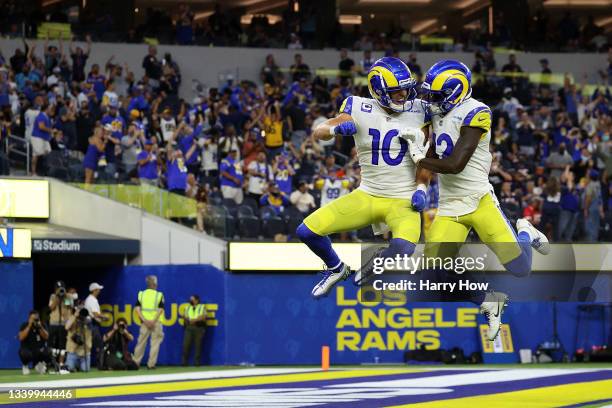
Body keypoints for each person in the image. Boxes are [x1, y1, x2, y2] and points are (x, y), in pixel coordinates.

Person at [410, 59, 550, 341]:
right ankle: (489, 299)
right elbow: (433, 154)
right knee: (432, 273)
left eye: (437, 95)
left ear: (455, 92)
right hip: (450, 207)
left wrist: (416, 157)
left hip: (479, 201)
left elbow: (454, 164)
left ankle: (525, 229)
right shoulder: (436, 114)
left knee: (521, 269)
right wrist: (420, 183)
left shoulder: (478, 112)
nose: (432, 101)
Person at [296, 57, 430, 298]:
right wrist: (336, 128)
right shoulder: (358, 106)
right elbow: (320, 131)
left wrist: (422, 187)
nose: (404, 95)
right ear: (378, 91)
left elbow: (426, 156)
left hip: (403, 199)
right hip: (367, 195)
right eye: (396, 90)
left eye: (406, 88)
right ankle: (336, 268)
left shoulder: (420, 110)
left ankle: (377, 261)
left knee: (403, 249)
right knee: (306, 232)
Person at [133, 275, 165, 369]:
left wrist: (145, 320)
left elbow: (137, 309)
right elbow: (160, 309)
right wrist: (153, 321)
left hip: (144, 323)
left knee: (141, 342)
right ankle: (151, 364)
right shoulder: (159, 295)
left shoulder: (141, 294)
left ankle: (136, 363)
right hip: (156, 323)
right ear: (155, 284)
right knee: (155, 343)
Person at [48, 281, 72, 372]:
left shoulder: (68, 296)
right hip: (54, 323)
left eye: (61, 288)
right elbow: (51, 307)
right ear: (55, 289)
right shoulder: (53, 296)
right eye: (58, 288)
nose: (60, 289)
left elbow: (69, 306)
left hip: (64, 324)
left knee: (62, 344)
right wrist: (57, 297)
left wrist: (64, 296)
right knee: (52, 344)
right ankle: (53, 363)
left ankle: (61, 363)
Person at [18, 310, 52, 375]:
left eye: (37, 319)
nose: (35, 320)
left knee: (48, 351)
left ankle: (39, 365)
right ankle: (25, 366)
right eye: (33, 319)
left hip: (38, 349)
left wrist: (40, 327)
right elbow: (21, 337)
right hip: (27, 349)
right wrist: (29, 326)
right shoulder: (24, 325)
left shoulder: (42, 325)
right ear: (29, 318)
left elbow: (46, 337)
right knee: (24, 353)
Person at [84, 282, 106, 370]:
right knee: (98, 345)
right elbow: (95, 313)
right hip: (92, 324)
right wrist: (105, 317)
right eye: (98, 289)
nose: (99, 291)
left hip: (93, 323)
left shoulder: (92, 299)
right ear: (94, 290)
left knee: (94, 345)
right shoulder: (91, 300)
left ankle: (98, 364)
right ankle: (100, 366)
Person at [181, 295, 207, 366]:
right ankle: (184, 362)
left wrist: (194, 320)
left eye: (192, 299)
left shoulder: (202, 307)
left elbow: (204, 317)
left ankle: (197, 362)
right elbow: (185, 316)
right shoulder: (187, 307)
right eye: (190, 300)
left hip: (199, 328)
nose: (190, 301)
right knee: (186, 345)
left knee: (198, 346)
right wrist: (186, 319)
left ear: (197, 300)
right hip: (189, 328)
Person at [65, 307, 93, 372]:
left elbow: (90, 325)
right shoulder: (72, 319)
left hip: (84, 352)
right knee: (70, 369)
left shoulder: (87, 321)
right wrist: (75, 315)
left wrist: (86, 317)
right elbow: (67, 327)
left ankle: (77, 367)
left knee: (85, 370)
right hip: (73, 351)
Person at [31, 103, 54, 175]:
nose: (51, 110)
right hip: (37, 137)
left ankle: (45, 171)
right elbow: (41, 126)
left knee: (48, 152)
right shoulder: (41, 116)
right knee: (37, 154)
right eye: (50, 108)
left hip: (44, 138)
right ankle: (33, 172)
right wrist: (51, 130)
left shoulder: (47, 117)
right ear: (47, 109)